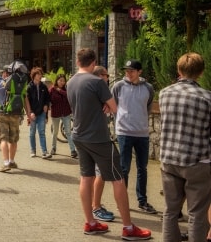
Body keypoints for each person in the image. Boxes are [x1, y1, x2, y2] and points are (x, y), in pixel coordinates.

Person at [66, 48, 151, 240]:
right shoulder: (96, 82)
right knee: (117, 178)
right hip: (98, 137)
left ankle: (91, 222)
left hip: (78, 135)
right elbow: (114, 108)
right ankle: (128, 228)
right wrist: (104, 106)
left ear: (78, 61)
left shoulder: (71, 82)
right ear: (94, 62)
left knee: (86, 177)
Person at [159, 52, 211, 242]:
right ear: (202, 72)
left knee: (170, 210)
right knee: (197, 213)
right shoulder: (207, 98)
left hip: (169, 159)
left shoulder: (164, 94)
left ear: (179, 70)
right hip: (198, 161)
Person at [112, 60, 157, 214]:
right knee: (124, 168)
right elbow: (114, 106)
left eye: (132, 71)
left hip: (142, 133)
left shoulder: (148, 88)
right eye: (126, 70)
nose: (128, 73)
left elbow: (148, 107)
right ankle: (122, 202)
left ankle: (142, 201)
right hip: (124, 133)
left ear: (140, 72)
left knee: (142, 168)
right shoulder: (118, 86)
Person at [0, 62, 28, 172]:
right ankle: (12, 161)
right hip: (16, 114)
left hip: (2, 114)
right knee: (13, 139)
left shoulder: (1, 82)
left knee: (3, 138)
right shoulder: (21, 83)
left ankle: (6, 163)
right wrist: (29, 114)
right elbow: (25, 99)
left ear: (6, 73)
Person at [90, 65, 115, 222]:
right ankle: (96, 207)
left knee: (90, 174)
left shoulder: (85, 87)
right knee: (101, 173)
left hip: (85, 137)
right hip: (98, 138)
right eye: (107, 75)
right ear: (101, 76)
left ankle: (93, 204)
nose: (108, 78)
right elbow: (114, 107)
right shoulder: (99, 88)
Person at [25, 67, 52, 159]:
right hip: (32, 114)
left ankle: (44, 151)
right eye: (38, 74)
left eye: (41, 74)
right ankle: (33, 150)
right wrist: (30, 113)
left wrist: (46, 105)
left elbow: (47, 98)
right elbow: (27, 101)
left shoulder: (43, 86)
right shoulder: (29, 87)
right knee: (32, 132)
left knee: (42, 132)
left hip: (41, 113)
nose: (40, 76)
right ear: (34, 76)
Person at [49, 74, 76, 157]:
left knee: (68, 132)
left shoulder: (66, 89)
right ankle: (53, 148)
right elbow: (49, 100)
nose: (62, 82)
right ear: (57, 80)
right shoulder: (52, 90)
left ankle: (73, 150)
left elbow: (69, 96)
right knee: (55, 132)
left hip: (66, 113)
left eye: (63, 81)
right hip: (56, 114)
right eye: (60, 80)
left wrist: (60, 91)